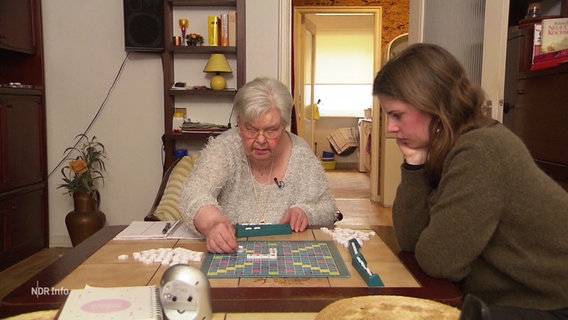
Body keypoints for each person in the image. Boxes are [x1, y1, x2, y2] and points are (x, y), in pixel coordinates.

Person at [373, 43, 568, 319]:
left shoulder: (480, 149)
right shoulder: (448, 146)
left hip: (549, 305)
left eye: (397, 115)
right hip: (510, 300)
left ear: (432, 103)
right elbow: (411, 242)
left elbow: (438, 261)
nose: (391, 128)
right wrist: (414, 165)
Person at [179, 77, 337, 254]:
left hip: (287, 254)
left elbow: (328, 208)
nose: (261, 140)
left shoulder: (301, 155)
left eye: (271, 130)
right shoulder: (224, 148)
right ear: (239, 123)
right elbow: (193, 194)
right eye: (251, 129)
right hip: (231, 252)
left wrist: (306, 213)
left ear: (284, 124)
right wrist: (213, 224)